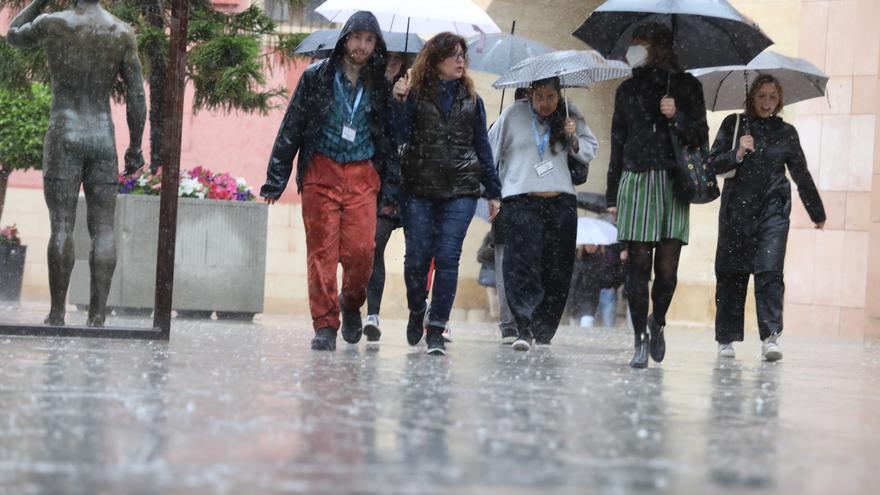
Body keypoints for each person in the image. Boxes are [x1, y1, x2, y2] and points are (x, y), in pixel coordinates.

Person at [262, 11, 398, 351]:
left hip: (362, 175)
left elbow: (389, 139)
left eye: (369, 40)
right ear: (344, 39)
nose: (362, 46)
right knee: (321, 254)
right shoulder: (316, 77)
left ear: (376, 45)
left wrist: (392, 185)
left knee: (362, 253)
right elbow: (292, 126)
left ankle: (351, 303)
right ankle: (324, 324)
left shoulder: (380, 83)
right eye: (357, 37)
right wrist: (276, 177)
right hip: (320, 172)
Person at [7, 0, 146, 327]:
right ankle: (97, 316)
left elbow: (13, 34)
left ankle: (57, 314)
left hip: (64, 132)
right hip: (101, 137)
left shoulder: (53, 23)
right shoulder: (121, 31)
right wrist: (135, 146)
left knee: (62, 226)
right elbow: (137, 94)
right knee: (103, 229)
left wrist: (39, 2)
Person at [391, 32, 502, 355]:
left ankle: (437, 327)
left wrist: (493, 192)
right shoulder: (414, 94)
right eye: (453, 55)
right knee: (417, 259)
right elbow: (397, 134)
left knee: (448, 257)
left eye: (463, 55)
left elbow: (482, 145)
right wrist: (397, 101)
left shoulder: (472, 98)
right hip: (419, 188)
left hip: (461, 190)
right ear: (435, 60)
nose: (460, 61)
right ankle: (417, 309)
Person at [606, 23, 708, 368]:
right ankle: (639, 338)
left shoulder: (688, 86)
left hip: (673, 181)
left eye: (641, 44)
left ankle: (657, 321)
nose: (634, 50)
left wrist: (676, 115)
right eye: (632, 43)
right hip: (635, 180)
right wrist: (611, 196)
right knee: (637, 265)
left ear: (659, 47)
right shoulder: (627, 90)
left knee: (666, 270)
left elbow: (699, 138)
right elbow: (617, 143)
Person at [709, 74, 825, 361]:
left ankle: (771, 337)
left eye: (773, 96)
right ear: (752, 97)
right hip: (736, 212)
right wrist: (737, 152)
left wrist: (817, 211)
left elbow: (801, 172)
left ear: (780, 99)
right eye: (761, 95)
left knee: (770, 271)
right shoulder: (733, 125)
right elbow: (711, 164)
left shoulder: (786, 132)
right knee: (732, 274)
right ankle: (726, 338)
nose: (767, 102)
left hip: (773, 211)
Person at [489, 76, 598, 351]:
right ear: (530, 93)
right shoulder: (513, 114)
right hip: (521, 200)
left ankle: (545, 329)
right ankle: (523, 327)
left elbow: (589, 150)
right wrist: (492, 192)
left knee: (557, 268)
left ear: (558, 94)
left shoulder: (569, 113)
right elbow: (490, 149)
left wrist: (573, 137)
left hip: (560, 200)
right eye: (540, 96)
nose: (546, 103)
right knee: (521, 266)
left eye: (551, 96)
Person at [362, 51, 409, 343]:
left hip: (397, 186)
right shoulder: (367, 89)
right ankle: (361, 305)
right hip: (365, 181)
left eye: (398, 56)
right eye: (388, 55)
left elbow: (405, 137)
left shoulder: (410, 96)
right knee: (365, 249)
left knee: (380, 247)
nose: (393, 61)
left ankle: (377, 314)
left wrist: (402, 104)